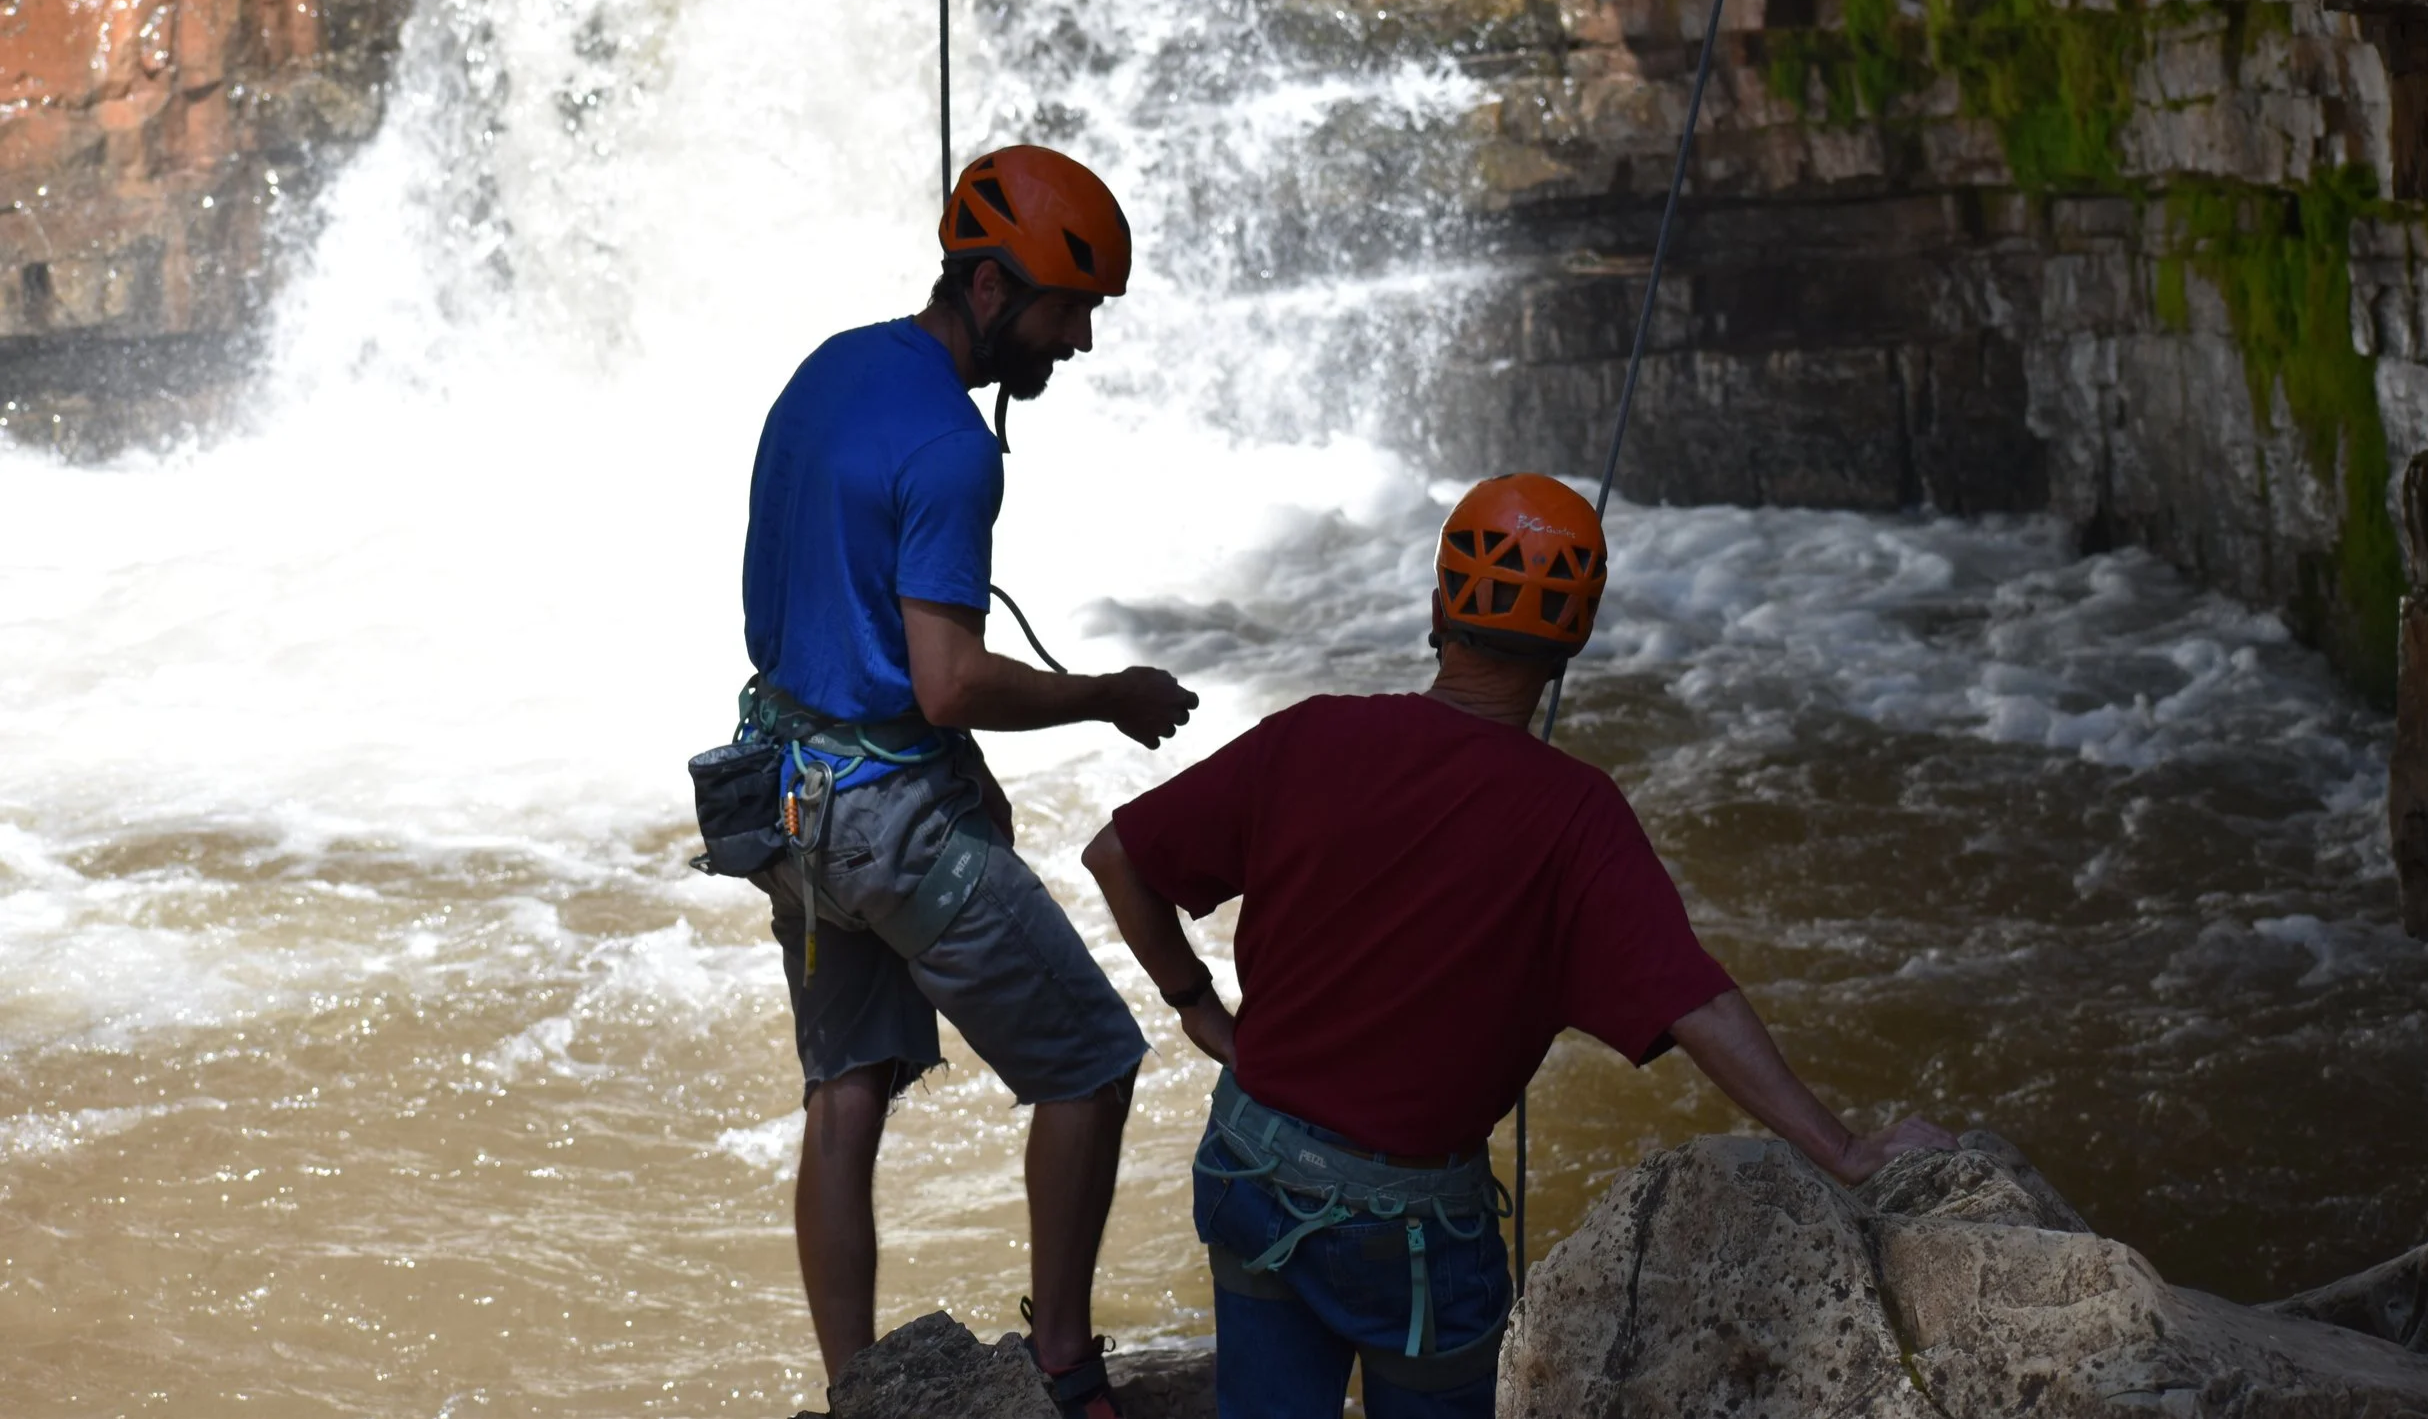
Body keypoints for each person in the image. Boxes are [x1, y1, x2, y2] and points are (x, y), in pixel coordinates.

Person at [1078, 472, 1958, 1419]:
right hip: (1411, 1230)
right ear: (1571, 643)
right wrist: (1847, 1151)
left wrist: (1199, 1011)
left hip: (1253, 1160)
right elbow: (1695, 1004)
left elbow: (1117, 854)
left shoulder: (1312, 733)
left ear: (1437, 609)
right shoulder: (1577, 817)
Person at [736, 144, 1197, 1419]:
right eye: (1069, 311)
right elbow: (943, 683)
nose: (1080, 345)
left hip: (783, 795)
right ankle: (1063, 1358)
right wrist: (1108, 696)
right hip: (887, 820)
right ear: (992, 293)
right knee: (1094, 1064)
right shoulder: (953, 452)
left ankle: (854, 1390)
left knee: (844, 1096)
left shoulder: (832, 366)